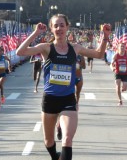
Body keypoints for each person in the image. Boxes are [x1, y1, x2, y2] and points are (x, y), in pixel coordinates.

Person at [16, 14, 111, 160]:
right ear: (51, 29)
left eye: (62, 25)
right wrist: (35, 33)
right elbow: (20, 52)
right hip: (50, 100)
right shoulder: (46, 48)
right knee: (48, 141)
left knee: (67, 139)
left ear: (67, 27)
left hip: (68, 99)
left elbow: (99, 54)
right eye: (56, 26)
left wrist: (105, 36)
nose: (59, 28)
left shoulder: (75, 48)